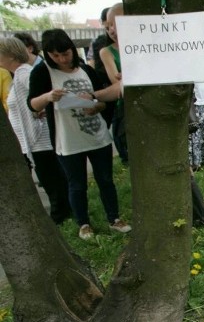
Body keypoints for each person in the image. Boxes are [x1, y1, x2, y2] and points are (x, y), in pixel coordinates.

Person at [27, 29, 131, 240]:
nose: (62, 59)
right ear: (47, 54)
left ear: (72, 50)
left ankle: (114, 218)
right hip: (68, 139)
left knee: (105, 180)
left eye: (65, 53)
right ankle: (83, 223)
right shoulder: (42, 72)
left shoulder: (86, 70)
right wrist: (48, 96)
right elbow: (33, 104)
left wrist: (95, 106)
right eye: (55, 56)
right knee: (76, 184)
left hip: (96, 135)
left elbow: (103, 100)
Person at [0, 37, 71, 224]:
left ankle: (60, 216)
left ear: (9, 55)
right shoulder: (19, 75)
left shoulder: (24, 74)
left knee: (51, 179)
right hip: (33, 140)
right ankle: (62, 214)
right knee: (49, 177)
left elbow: (39, 97)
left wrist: (40, 112)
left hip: (39, 139)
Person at [99, 2, 129, 164]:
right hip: (125, 108)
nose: (111, 30)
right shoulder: (106, 52)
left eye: (114, 24)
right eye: (108, 26)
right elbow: (115, 81)